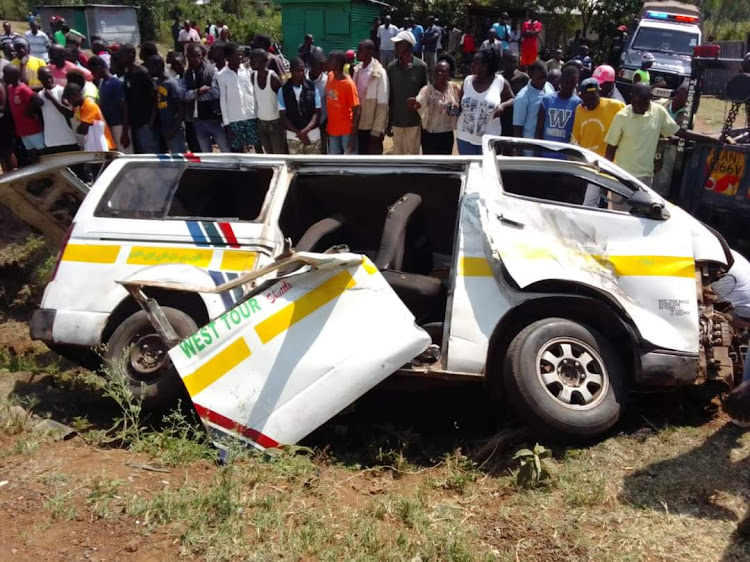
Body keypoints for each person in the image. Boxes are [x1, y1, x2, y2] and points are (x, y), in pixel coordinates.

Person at [604, 82, 726, 187]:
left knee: (641, 213)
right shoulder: (621, 117)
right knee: (621, 213)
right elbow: (611, 147)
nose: (641, 108)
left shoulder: (659, 112)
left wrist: (710, 139)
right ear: (631, 98)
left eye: (645, 105)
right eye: (637, 104)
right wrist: (606, 174)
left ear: (650, 99)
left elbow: (680, 132)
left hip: (646, 176)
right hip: (623, 175)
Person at [571, 78, 625, 205]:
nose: (590, 103)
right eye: (586, 99)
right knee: (590, 202)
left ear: (599, 93)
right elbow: (576, 137)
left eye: (593, 99)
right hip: (590, 165)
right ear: (581, 96)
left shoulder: (615, 106)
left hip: (611, 164)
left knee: (607, 203)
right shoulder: (579, 110)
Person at [456, 48, 514, 155]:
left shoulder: (499, 82)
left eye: (475, 62)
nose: (472, 64)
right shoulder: (467, 81)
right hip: (464, 138)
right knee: (469, 170)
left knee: (487, 170)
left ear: (485, 67)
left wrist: (503, 106)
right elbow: (460, 104)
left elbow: (513, 99)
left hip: (489, 139)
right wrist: (454, 107)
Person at [182, 43, 230, 153]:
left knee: (225, 151)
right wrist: (198, 92)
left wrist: (194, 95)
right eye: (191, 56)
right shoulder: (188, 73)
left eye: (198, 55)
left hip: (214, 119)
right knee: (206, 154)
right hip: (198, 120)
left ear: (203, 55)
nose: (195, 59)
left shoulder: (212, 71)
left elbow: (216, 93)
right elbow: (183, 95)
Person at [408, 56, 460, 155]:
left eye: (443, 71)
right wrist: (412, 104)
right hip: (429, 134)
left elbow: (462, 107)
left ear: (449, 73)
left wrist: (456, 109)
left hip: (446, 134)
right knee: (430, 164)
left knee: (444, 165)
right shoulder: (427, 90)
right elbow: (417, 104)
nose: (439, 73)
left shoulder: (455, 88)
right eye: (437, 71)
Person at [386, 30, 427, 155]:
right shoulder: (391, 67)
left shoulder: (420, 67)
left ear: (409, 45)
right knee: (398, 158)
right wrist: (389, 122)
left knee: (413, 158)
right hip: (397, 121)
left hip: (414, 121)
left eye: (399, 44)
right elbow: (390, 97)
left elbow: (424, 93)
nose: (396, 46)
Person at [218, 42, 261, 153]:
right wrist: (227, 124)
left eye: (240, 54)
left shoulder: (247, 71)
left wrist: (257, 114)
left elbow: (253, 93)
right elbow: (223, 100)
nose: (240, 57)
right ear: (228, 58)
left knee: (257, 146)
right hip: (234, 120)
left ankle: (262, 169)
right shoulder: (222, 76)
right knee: (238, 149)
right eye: (237, 55)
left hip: (251, 116)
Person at [119, 43, 158, 153]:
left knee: (150, 155)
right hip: (134, 123)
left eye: (122, 54)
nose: (120, 57)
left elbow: (155, 96)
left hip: (145, 123)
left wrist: (151, 122)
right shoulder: (127, 73)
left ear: (130, 55)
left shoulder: (142, 72)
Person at [278, 57, 321, 154]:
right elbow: (283, 116)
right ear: (291, 71)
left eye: (302, 70)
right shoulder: (283, 90)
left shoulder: (312, 87)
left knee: (313, 166)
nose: (301, 74)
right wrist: (300, 134)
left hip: (312, 135)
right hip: (293, 136)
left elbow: (317, 113)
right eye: (297, 71)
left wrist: (305, 131)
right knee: (296, 166)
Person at [353, 39, 388, 155]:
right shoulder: (357, 70)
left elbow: (382, 106)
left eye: (360, 50)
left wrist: (377, 131)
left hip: (371, 127)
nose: (357, 53)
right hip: (358, 125)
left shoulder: (379, 73)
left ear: (370, 52)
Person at [145, 54, 186, 154]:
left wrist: (173, 129)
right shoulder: (158, 82)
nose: (149, 70)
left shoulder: (172, 84)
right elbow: (157, 103)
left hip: (174, 129)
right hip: (164, 127)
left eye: (151, 67)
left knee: (180, 156)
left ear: (159, 66)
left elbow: (181, 108)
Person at [89, 54, 130, 153]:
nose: (92, 74)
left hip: (119, 126)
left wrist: (125, 133)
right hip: (108, 126)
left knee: (124, 155)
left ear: (99, 67)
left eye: (93, 71)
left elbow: (125, 108)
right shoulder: (102, 83)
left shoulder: (116, 83)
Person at [3, 65, 44, 164]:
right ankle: (39, 177)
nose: (4, 77)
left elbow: (38, 101)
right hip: (22, 131)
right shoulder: (10, 88)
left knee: (42, 154)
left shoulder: (23, 89)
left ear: (13, 76)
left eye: (6, 75)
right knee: (32, 155)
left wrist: (28, 112)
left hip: (33, 130)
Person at [250, 48, 286, 154]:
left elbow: (282, 100)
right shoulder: (253, 76)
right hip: (262, 123)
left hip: (275, 123)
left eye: (252, 60)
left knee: (278, 155)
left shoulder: (273, 78)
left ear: (261, 62)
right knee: (269, 155)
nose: (250, 63)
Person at [37, 66, 79, 154]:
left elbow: (69, 113)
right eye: (45, 78)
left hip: (67, 138)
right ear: (39, 79)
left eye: (50, 77)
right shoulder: (40, 95)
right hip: (51, 141)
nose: (49, 80)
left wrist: (52, 99)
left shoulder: (62, 91)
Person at [535, 65, 581, 146]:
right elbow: (539, 128)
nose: (568, 85)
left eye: (572, 82)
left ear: (577, 83)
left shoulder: (578, 104)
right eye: (566, 82)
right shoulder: (547, 100)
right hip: (545, 151)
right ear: (560, 81)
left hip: (565, 153)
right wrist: (537, 149)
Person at [325, 50, 360, 155]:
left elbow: (356, 111)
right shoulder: (330, 76)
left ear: (338, 64)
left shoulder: (348, 84)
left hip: (347, 131)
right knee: (335, 163)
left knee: (351, 163)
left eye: (330, 59)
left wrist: (353, 137)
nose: (328, 61)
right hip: (332, 129)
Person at [62, 82, 115, 150]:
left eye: (69, 99)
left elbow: (83, 129)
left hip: (104, 146)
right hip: (96, 146)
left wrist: (79, 128)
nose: (69, 102)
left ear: (75, 94)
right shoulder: (80, 107)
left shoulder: (89, 105)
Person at [513, 60, 554, 139]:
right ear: (530, 75)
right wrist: (518, 150)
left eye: (545, 77)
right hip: (530, 145)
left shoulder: (549, 87)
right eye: (539, 78)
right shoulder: (522, 97)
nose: (543, 81)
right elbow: (517, 128)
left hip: (547, 143)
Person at [499, 50, 529, 138]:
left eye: (515, 62)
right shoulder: (498, 77)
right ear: (503, 62)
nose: (512, 65)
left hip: (517, 115)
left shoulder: (523, 78)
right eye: (509, 62)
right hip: (501, 114)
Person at [306, 49, 328, 153]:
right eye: (316, 68)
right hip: (304, 124)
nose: (319, 72)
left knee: (322, 151)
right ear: (310, 65)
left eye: (322, 69)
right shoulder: (302, 78)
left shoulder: (326, 81)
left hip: (321, 124)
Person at [0, 80, 18, 171]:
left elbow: (2, 107)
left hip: (2, 122)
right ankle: (6, 175)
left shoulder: (0, 86)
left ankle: (15, 173)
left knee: (8, 151)